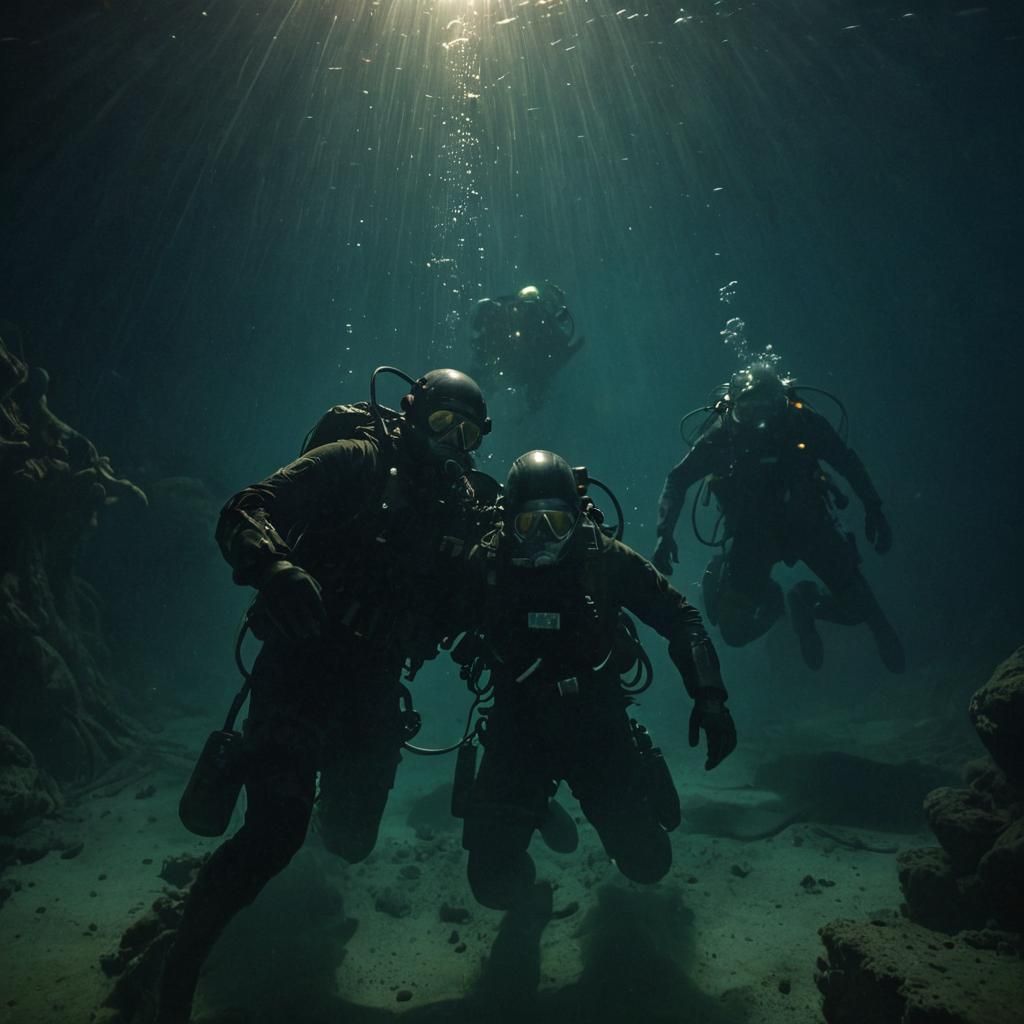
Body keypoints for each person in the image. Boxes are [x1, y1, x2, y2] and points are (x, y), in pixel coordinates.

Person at [156, 368, 493, 1023]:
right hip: (300, 669)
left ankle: (292, 901)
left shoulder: (463, 505)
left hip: (373, 692)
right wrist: (275, 567)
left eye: (468, 433)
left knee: (349, 839)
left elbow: (502, 575)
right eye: (441, 423)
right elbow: (246, 508)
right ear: (410, 411)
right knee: (275, 832)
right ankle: (178, 977)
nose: (451, 443)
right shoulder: (357, 459)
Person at [453, 450, 736, 911]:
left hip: (597, 727)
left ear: (578, 519)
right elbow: (419, 616)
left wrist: (710, 698)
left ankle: (601, 775)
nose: (543, 538)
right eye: (528, 525)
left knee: (649, 864)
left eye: (557, 523)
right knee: (491, 884)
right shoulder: (486, 563)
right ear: (506, 522)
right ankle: (537, 811)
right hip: (517, 732)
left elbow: (682, 617)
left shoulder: (603, 558)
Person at [652, 362, 904, 673]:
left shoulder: (803, 423)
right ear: (734, 408)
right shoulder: (723, 438)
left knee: (858, 607)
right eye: (750, 410)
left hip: (809, 525)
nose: (761, 422)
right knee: (734, 631)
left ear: (781, 402)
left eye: (768, 408)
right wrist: (665, 533)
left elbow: (846, 461)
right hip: (753, 536)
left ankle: (805, 604)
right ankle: (766, 599)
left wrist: (874, 507)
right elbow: (678, 479)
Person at [469, 282, 585, 410]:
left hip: (515, 370)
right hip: (508, 368)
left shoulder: (550, 329)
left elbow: (551, 364)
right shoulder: (512, 312)